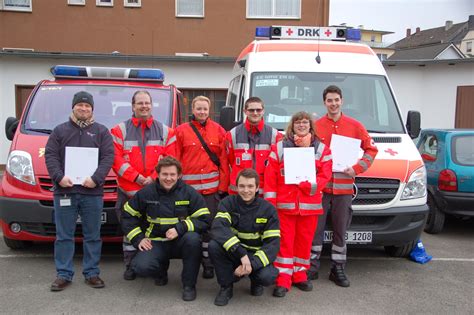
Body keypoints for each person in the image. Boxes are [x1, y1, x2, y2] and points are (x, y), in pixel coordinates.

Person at [308, 85, 378, 287]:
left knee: (340, 229)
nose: (333, 103)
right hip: (320, 189)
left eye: (336, 99)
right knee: (315, 228)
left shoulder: (355, 126)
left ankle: (337, 268)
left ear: (342, 100)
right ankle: (312, 265)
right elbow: (307, 151)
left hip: (344, 188)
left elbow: (371, 150)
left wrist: (357, 168)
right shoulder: (316, 125)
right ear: (324, 103)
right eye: (329, 100)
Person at [45, 91, 114, 291]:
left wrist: (96, 179)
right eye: (80, 105)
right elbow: (50, 156)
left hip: (92, 192)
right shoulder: (59, 131)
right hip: (64, 191)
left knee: (92, 235)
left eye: (87, 106)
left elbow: (108, 157)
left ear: (92, 109)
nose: (83, 109)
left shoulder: (101, 132)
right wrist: (59, 177)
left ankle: (92, 273)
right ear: (73, 107)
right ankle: (64, 274)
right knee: (64, 235)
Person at [120, 156, 210, 301]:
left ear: (179, 175)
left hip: (180, 242)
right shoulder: (146, 193)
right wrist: (138, 238)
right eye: (165, 174)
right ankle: (160, 272)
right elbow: (127, 216)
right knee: (141, 267)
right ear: (158, 174)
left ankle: (189, 285)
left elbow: (204, 219)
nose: (168, 178)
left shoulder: (188, 192)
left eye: (172, 174)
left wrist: (181, 228)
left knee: (193, 240)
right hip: (155, 242)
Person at [264, 111, 332, 298]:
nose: (301, 125)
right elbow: (270, 177)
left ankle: (300, 275)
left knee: (304, 242)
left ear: (310, 126)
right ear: (291, 126)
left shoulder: (321, 149)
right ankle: (283, 279)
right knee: (284, 244)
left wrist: (308, 185)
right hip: (284, 206)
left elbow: (326, 175)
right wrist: (270, 204)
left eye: (305, 122)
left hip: (309, 206)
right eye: (297, 123)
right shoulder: (279, 147)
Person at [110, 90, 176, 280]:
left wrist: (153, 178)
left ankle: (156, 267)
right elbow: (116, 160)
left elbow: (170, 160)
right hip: (128, 191)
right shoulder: (118, 131)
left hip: (156, 192)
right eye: (140, 103)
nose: (144, 106)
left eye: (147, 103)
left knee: (154, 229)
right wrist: (138, 177)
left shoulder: (166, 132)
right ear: (133, 106)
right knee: (129, 229)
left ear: (151, 105)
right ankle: (130, 265)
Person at [175, 95, 229, 279]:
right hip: (188, 193)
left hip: (211, 192)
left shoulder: (219, 131)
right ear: (192, 110)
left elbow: (223, 162)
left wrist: (222, 187)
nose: (202, 112)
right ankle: (191, 263)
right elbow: (175, 161)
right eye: (198, 108)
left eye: (205, 109)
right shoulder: (181, 131)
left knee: (209, 230)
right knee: (189, 230)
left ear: (209, 110)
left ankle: (208, 263)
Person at [209, 168, 280, 306]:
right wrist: (240, 253)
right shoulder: (227, 203)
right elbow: (218, 227)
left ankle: (256, 280)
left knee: (267, 276)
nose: (246, 190)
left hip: (255, 256)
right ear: (236, 186)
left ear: (257, 187)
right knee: (214, 246)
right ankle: (226, 287)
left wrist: (251, 265)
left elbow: (272, 245)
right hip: (236, 252)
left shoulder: (268, 209)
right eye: (242, 186)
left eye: (250, 186)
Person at [226, 97, 282, 196]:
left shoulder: (275, 135)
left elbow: (277, 165)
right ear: (245, 111)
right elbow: (230, 161)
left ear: (263, 111)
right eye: (251, 110)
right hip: (240, 193)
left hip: (263, 193)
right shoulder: (232, 134)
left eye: (258, 110)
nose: (255, 113)